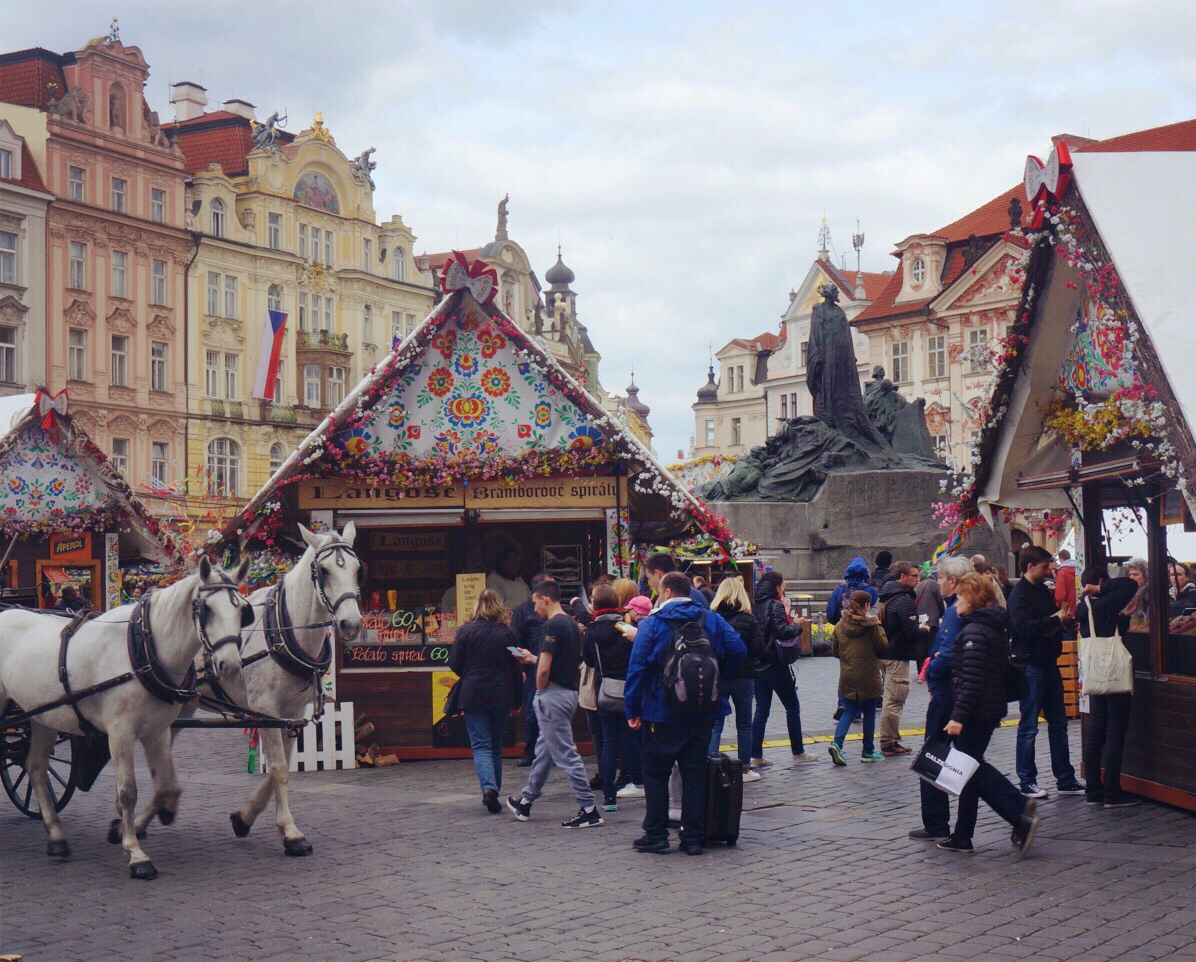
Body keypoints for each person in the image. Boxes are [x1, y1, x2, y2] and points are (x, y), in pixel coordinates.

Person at [624, 572, 746, 855]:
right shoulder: (711, 619)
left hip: (660, 710)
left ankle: (656, 834)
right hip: (703, 710)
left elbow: (637, 668)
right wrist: (717, 678)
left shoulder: (653, 623)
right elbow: (739, 650)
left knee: (655, 774)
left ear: (666, 591)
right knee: (694, 776)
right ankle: (692, 837)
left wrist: (632, 708)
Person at [937, 573, 1041, 855]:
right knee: (968, 769)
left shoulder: (974, 633)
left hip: (976, 710)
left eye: (960, 596)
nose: (955, 602)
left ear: (972, 599)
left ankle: (1019, 810)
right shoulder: (991, 626)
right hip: (988, 707)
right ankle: (962, 835)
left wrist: (957, 716)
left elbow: (971, 679)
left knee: (970, 768)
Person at [507, 580, 603, 828]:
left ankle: (589, 808)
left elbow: (545, 668)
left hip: (553, 694)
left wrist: (539, 690)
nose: (534, 608)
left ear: (545, 599)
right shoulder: (571, 624)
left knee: (566, 754)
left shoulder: (551, 625)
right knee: (545, 751)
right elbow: (561, 659)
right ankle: (526, 801)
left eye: (535, 603)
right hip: (568, 693)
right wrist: (532, 658)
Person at [1009, 545, 1085, 799]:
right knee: (1028, 726)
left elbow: (1048, 618)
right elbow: (1022, 628)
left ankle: (1065, 778)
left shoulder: (1042, 590)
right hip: (1031, 664)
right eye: (1045, 566)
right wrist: (1055, 620)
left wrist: (1064, 620)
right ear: (1030, 567)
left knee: (1059, 724)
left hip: (1049, 663)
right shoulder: (1019, 594)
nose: (1049, 570)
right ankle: (1026, 780)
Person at [910, 555, 973, 841]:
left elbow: (946, 654)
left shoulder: (955, 610)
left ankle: (936, 822)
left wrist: (932, 669)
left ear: (953, 581)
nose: (937, 582)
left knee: (933, 754)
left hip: (947, 692)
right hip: (960, 691)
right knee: (965, 756)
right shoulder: (965, 606)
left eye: (940, 577)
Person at [449, 590, 525, 814]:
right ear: (499, 606)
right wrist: (518, 699)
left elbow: (455, 664)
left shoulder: (465, 631)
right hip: (502, 694)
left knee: (480, 745)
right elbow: (516, 668)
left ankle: (489, 788)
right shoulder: (509, 633)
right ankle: (494, 790)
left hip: (473, 694)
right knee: (495, 746)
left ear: (477, 606)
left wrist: (471, 672)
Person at [1076, 566, 1140, 808]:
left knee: (1096, 732)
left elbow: (1107, 629)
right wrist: (1101, 588)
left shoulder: (1084, 608)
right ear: (1101, 581)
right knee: (1115, 733)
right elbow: (1130, 585)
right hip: (1113, 677)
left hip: (1095, 676)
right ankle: (1112, 793)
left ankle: (1093, 790)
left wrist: (1123, 617)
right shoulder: (1105, 602)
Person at [583, 584, 643, 810]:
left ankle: (609, 797)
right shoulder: (626, 625)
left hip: (605, 689)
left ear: (596, 603)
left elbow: (588, 660)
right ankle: (639, 781)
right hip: (628, 687)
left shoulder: (592, 630)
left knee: (608, 741)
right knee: (629, 737)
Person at [750, 571, 814, 767]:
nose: (784, 587)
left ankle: (756, 755)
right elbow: (782, 630)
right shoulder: (775, 605)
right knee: (792, 707)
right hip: (775, 664)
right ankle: (798, 751)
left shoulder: (756, 605)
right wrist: (796, 625)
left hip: (758, 665)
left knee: (761, 710)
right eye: (783, 584)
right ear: (776, 586)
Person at [709, 576, 766, 780]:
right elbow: (759, 648)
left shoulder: (712, 617)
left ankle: (711, 764)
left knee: (716, 724)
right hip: (744, 676)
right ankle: (744, 767)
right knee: (744, 723)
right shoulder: (748, 618)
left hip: (719, 676)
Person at [828, 591, 888, 765]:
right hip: (868, 675)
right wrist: (878, 626)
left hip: (848, 675)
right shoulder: (871, 625)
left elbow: (835, 651)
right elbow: (883, 647)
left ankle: (837, 744)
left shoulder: (840, 625)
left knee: (849, 710)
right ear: (866, 605)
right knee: (869, 712)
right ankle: (868, 751)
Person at [877, 561, 930, 756]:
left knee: (889, 698)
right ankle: (889, 742)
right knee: (895, 700)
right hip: (897, 655)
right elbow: (910, 632)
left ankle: (888, 739)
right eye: (914, 576)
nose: (918, 579)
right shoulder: (904, 600)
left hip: (884, 653)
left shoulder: (885, 595)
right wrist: (923, 629)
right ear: (902, 577)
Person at [511, 573, 553, 767]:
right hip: (531, 667)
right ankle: (530, 752)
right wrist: (520, 667)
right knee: (532, 711)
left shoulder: (557, 613)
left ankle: (551, 752)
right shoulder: (523, 611)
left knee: (553, 711)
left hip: (553, 666)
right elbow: (515, 639)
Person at [643, 553, 708, 608]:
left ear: (657, 574)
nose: (649, 583)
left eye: (649, 578)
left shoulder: (670, 599)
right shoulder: (697, 594)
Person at [827, 556, 878, 624]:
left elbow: (831, 614)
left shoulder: (839, 589)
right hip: (865, 629)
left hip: (843, 627)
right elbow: (876, 612)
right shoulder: (871, 590)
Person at [487, 544, 530, 609]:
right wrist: (522, 605)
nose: (516, 565)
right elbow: (499, 605)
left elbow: (530, 598)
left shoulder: (519, 579)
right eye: (512, 561)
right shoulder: (493, 580)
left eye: (517, 562)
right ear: (503, 561)